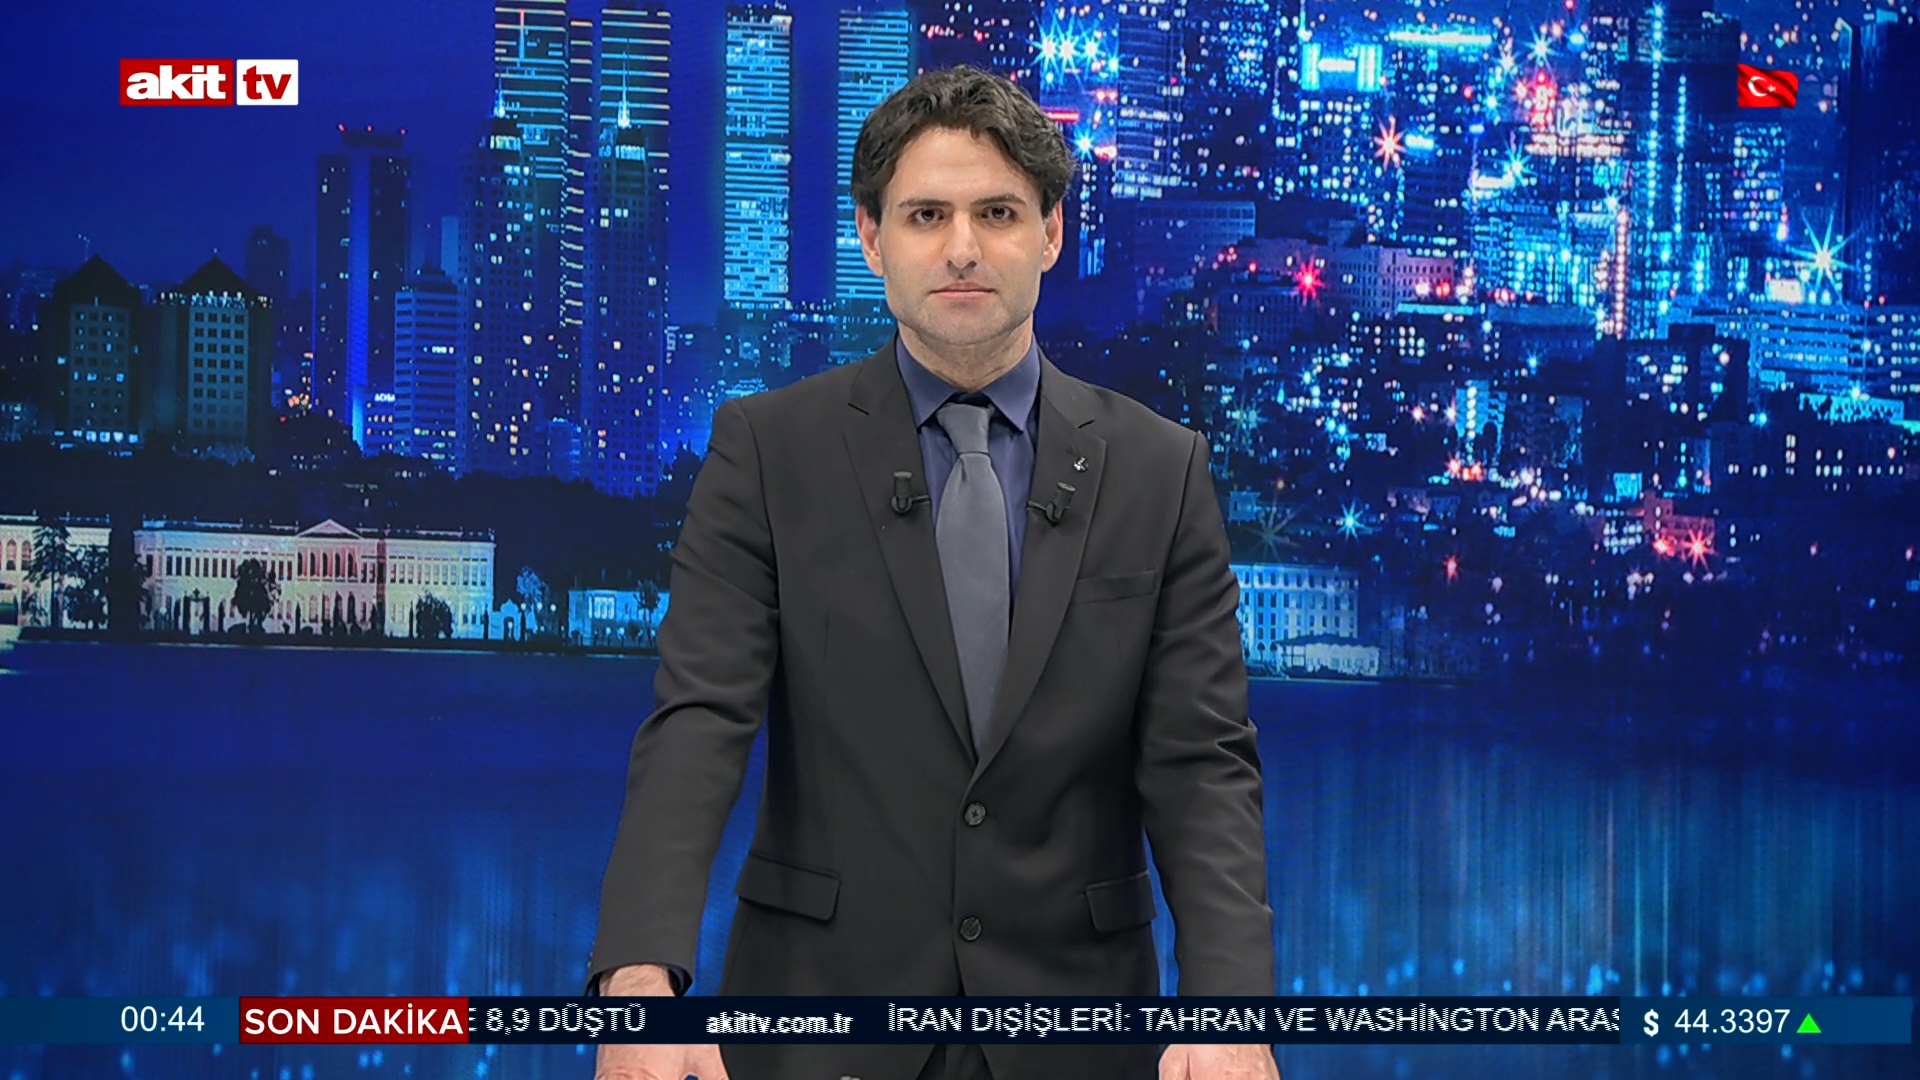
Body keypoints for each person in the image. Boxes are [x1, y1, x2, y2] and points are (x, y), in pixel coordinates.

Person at [589, 65, 1279, 1080]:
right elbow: (699, 720)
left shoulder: (1159, 469)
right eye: (926, 215)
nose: (963, 248)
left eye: (997, 213)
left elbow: (1201, 763)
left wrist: (1228, 1012)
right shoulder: (767, 452)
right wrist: (639, 976)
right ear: (872, 239)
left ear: (1051, 232)